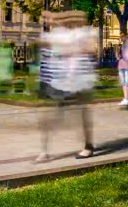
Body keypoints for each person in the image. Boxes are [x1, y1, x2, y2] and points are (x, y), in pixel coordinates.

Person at [36, 10, 97, 162]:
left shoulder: (83, 33)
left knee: (81, 114)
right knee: (48, 115)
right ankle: (44, 151)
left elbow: (92, 50)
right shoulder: (55, 34)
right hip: (59, 80)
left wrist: (71, 49)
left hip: (81, 78)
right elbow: (48, 54)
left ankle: (88, 145)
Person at [117, 33, 128, 106]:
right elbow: (118, 56)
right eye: (120, 37)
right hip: (121, 65)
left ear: (126, 36)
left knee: (127, 83)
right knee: (124, 83)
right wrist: (118, 51)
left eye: (122, 36)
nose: (121, 38)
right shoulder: (121, 46)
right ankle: (126, 98)